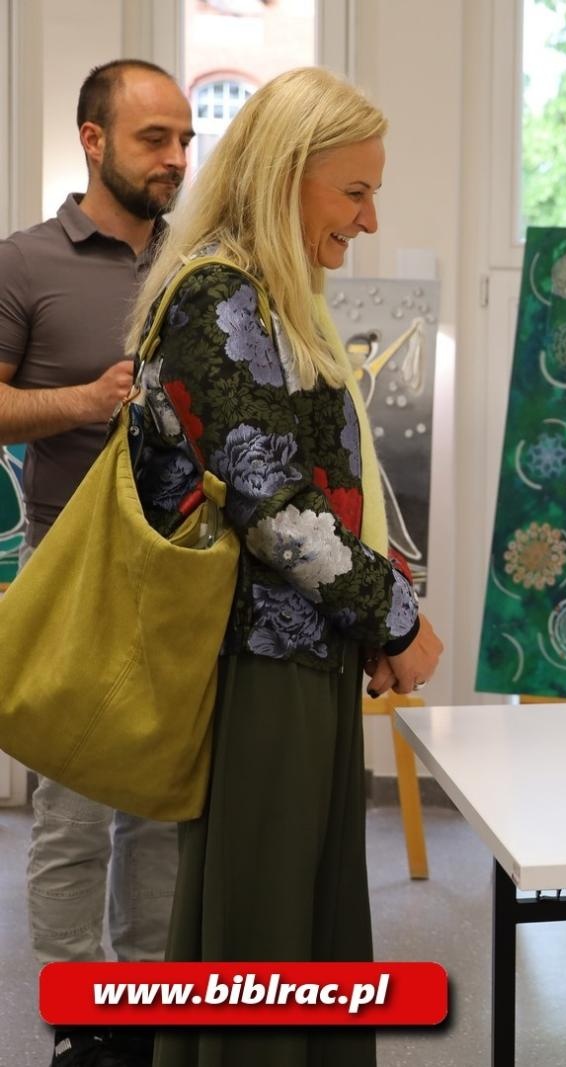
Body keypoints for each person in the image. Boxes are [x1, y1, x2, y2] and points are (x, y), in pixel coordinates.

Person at [117, 67, 443, 1067]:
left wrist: (371, 618)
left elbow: (317, 487)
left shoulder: (262, 296)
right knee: (264, 934)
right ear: (281, 176)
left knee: (294, 917)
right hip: (260, 663)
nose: (371, 218)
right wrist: (394, 619)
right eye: (354, 191)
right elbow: (275, 504)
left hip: (296, 651)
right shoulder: (221, 300)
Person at [0, 58, 192, 1067]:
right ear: (92, 140)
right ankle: (84, 1027)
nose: (175, 158)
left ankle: (144, 1012)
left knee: (156, 813)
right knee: (72, 816)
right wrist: (80, 401)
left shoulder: (199, 263)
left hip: (179, 580)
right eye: (154, 139)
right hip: (67, 573)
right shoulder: (24, 262)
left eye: (185, 140)